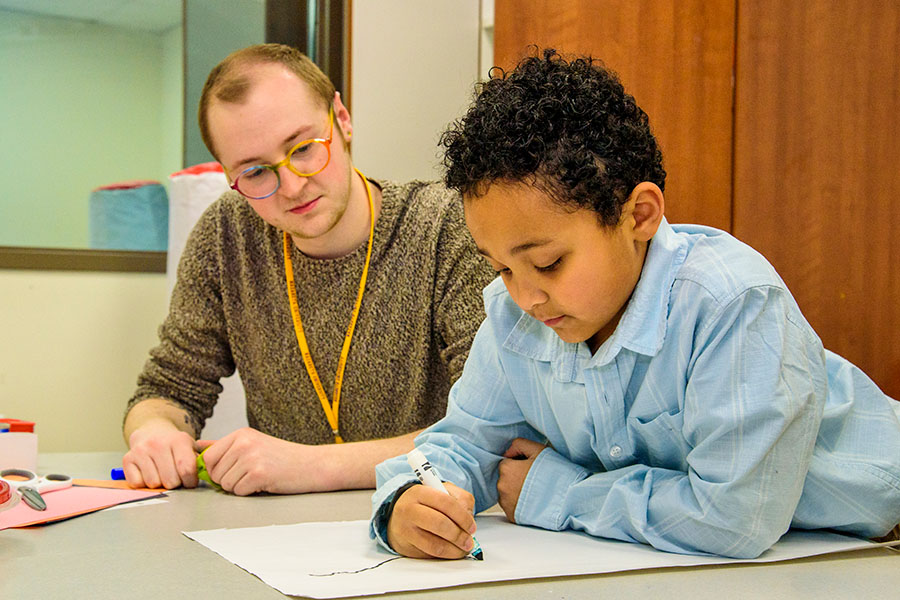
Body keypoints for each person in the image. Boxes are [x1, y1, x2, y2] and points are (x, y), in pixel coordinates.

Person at [370, 49, 900, 559]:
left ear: (638, 215)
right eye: (502, 268)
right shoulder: (516, 318)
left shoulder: (731, 304)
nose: (525, 296)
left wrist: (557, 491)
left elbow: (734, 518)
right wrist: (408, 504)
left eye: (550, 262)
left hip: (871, 542)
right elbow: (462, 445)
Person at [122, 44, 494, 496]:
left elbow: (488, 427)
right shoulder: (226, 235)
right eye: (256, 172)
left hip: (433, 515)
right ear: (229, 176)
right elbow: (168, 387)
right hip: (278, 534)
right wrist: (155, 433)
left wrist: (313, 466)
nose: (292, 187)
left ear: (341, 118)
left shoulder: (445, 225)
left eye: (302, 148)